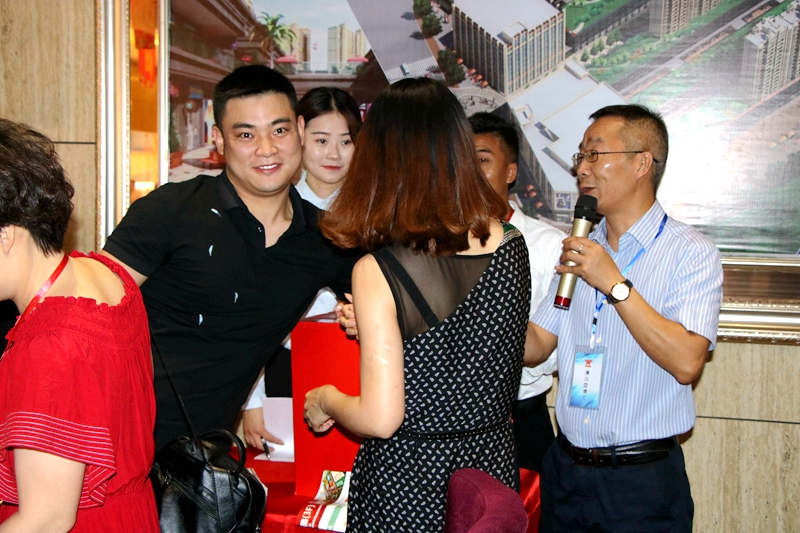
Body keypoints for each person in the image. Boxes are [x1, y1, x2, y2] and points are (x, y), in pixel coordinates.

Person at [303, 78, 531, 532]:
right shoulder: (511, 242)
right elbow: (475, 344)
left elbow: (380, 418)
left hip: (410, 481)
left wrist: (325, 398)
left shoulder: (379, 269)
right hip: (489, 469)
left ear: (379, 157)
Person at [102, 65, 359, 450]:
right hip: (111, 439)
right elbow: (88, 305)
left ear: (300, 130)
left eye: (279, 130)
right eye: (246, 135)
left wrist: (363, 318)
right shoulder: (171, 209)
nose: (266, 149)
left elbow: (399, 309)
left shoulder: (326, 239)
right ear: (220, 140)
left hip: (202, 459)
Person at [525, 104, 723, 532]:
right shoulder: (580, 248)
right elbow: (537, 344)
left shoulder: (690, 253)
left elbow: (687, 362)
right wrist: (483, 306)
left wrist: (614, 284)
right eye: (581, 155)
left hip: (641, 482)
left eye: (595, 154)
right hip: (566, 472)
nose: (582, 168)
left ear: (641, 164)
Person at [0, 119, 158, 532]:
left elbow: (46, 519)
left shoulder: (51, 344)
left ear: (6, 236)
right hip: (130, 515)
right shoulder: (106, 275)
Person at [242, 86, 362, 449]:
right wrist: (251, 401)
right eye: (321, 140)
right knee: (288, 468)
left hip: (356, 364)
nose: (334, 154)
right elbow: (249, 317)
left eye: (346, 141)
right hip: (283, 364)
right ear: (298, 136)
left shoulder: (373, 215)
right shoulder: (274, 211)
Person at [469, 112, 566, 474]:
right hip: (451, 416)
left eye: (482, 160)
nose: (470, 172)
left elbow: (551, 350)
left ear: (510, 172)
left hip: (521, 415)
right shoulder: (436, 244)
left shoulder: (548, 245)